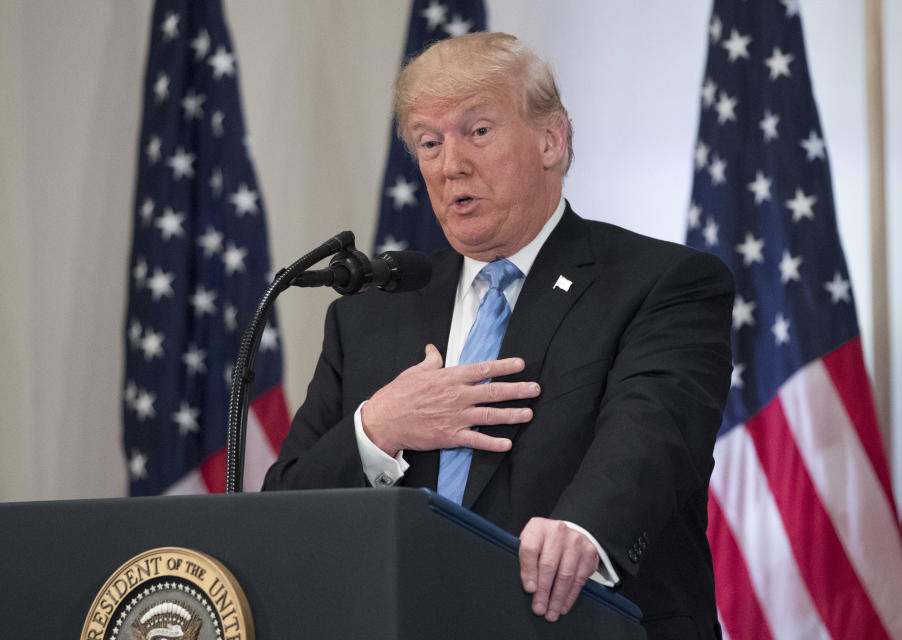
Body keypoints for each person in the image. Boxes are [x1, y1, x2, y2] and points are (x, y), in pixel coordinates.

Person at [263, 32, 733, 640]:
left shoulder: (660, 284)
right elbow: (286, 507)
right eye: (429, 143)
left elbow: (651, 437)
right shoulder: (369, 316)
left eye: (477, 131)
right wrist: (378, 429)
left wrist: (583, 531)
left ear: (551, 139)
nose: (450, 163)